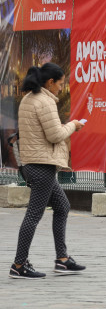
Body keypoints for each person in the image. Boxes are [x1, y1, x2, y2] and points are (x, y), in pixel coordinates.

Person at [10, 63, 85, 279]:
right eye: (60, 84)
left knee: (62, 206)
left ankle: (62, 260)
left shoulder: (29, 98)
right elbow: (55, 135)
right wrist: (73, 125)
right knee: (34, 215)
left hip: (34, 163)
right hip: (41, 166)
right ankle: (19, 265)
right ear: (50, 82)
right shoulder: (44, 102)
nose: (62, 88)